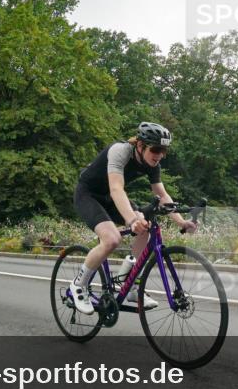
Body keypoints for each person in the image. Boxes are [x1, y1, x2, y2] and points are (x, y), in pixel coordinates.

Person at [70, 122, 197, 314]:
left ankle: (131, 286)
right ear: (140, 145)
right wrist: (131, 220)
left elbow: (162, 195)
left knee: (145, 227)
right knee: (112, 239)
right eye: (156, 149)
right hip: (88, 194)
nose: (160, 155)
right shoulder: (120, 151)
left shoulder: (153, 164)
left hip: (110, 197)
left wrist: (181, 221)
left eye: (164, 150)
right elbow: (116, 188)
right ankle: (79, 285)